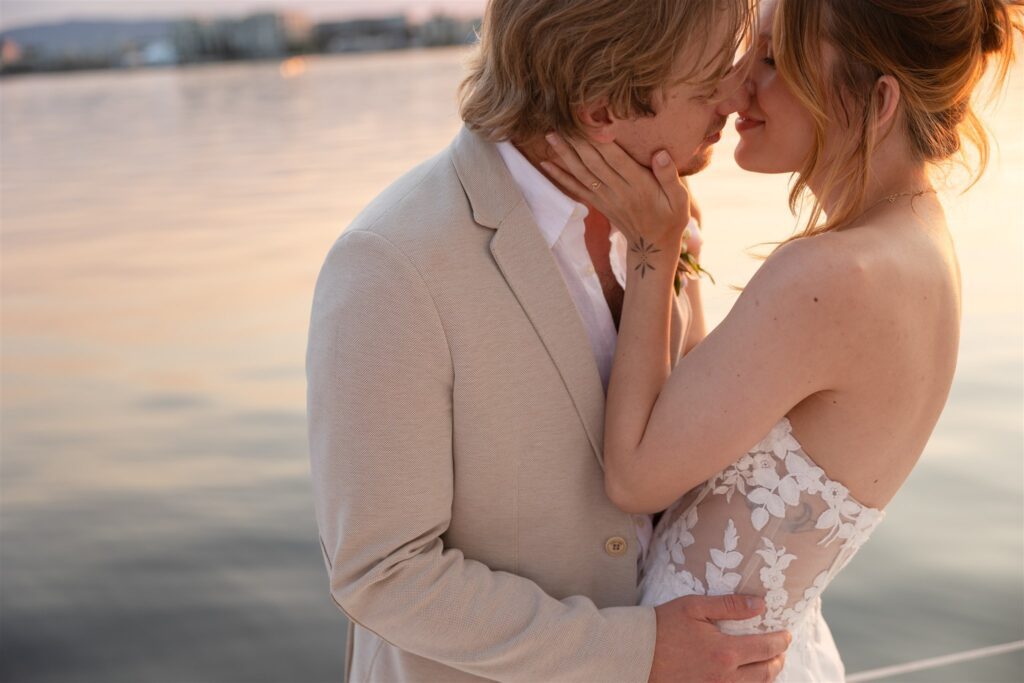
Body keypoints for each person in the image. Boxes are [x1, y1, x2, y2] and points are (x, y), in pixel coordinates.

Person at [305, 0, 797, 681]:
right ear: (600, 109)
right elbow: (382, 573)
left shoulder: (664, 209)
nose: (739, 93)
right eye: (713, 74)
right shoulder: (390, 264)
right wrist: (636, 651)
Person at [541, 0, 1023, 680]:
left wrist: (652, 247)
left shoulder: (833, 275)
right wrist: (682, 254)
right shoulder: (918, 244)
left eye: (773, 61)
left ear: (877, 98)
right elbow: (707, 426)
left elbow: (635, 475)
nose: (738, 85)